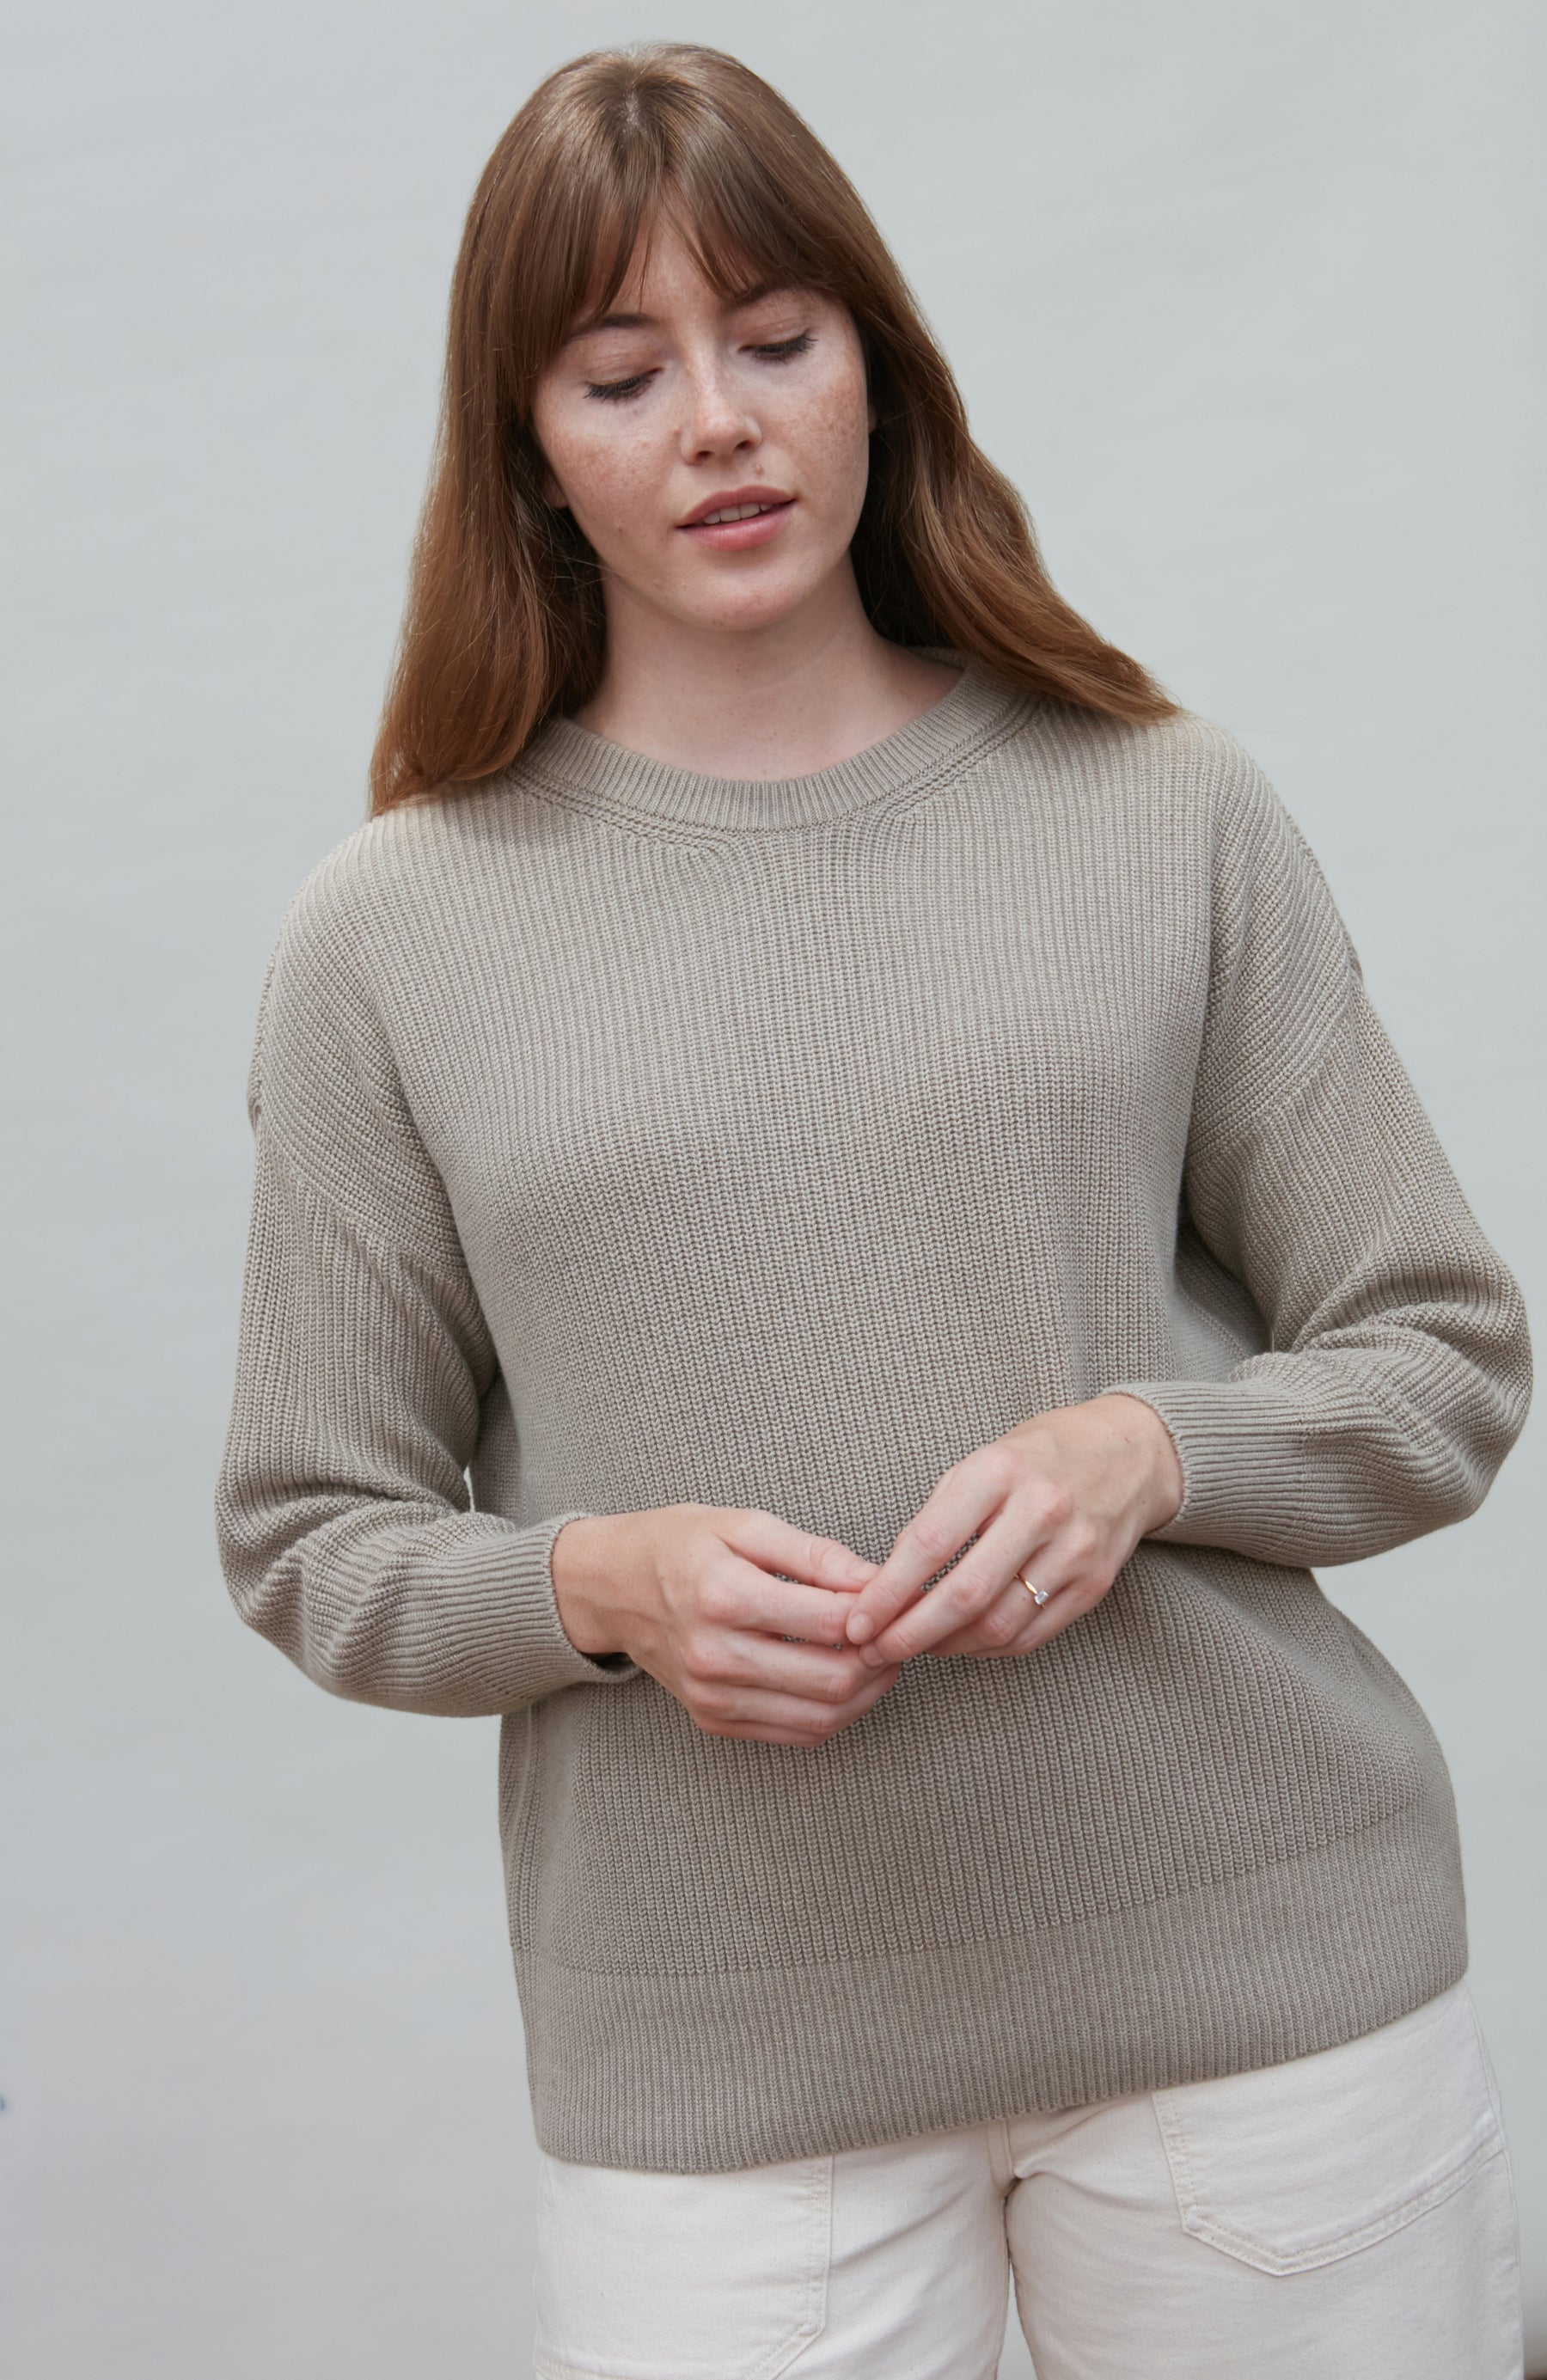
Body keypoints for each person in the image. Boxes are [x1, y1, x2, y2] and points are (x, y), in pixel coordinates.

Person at [214, 40, 1532, 2379]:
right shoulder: (389, 938)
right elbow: (313, 1529)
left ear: (878, 376)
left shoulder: (1160, 808)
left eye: (777, 339)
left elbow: (1444, 1354)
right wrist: (593, 1584)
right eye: (621, 373)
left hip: (1261, 1995)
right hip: (727, 2070)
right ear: (530, 448)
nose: (716, 420)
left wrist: (1149, 1448)